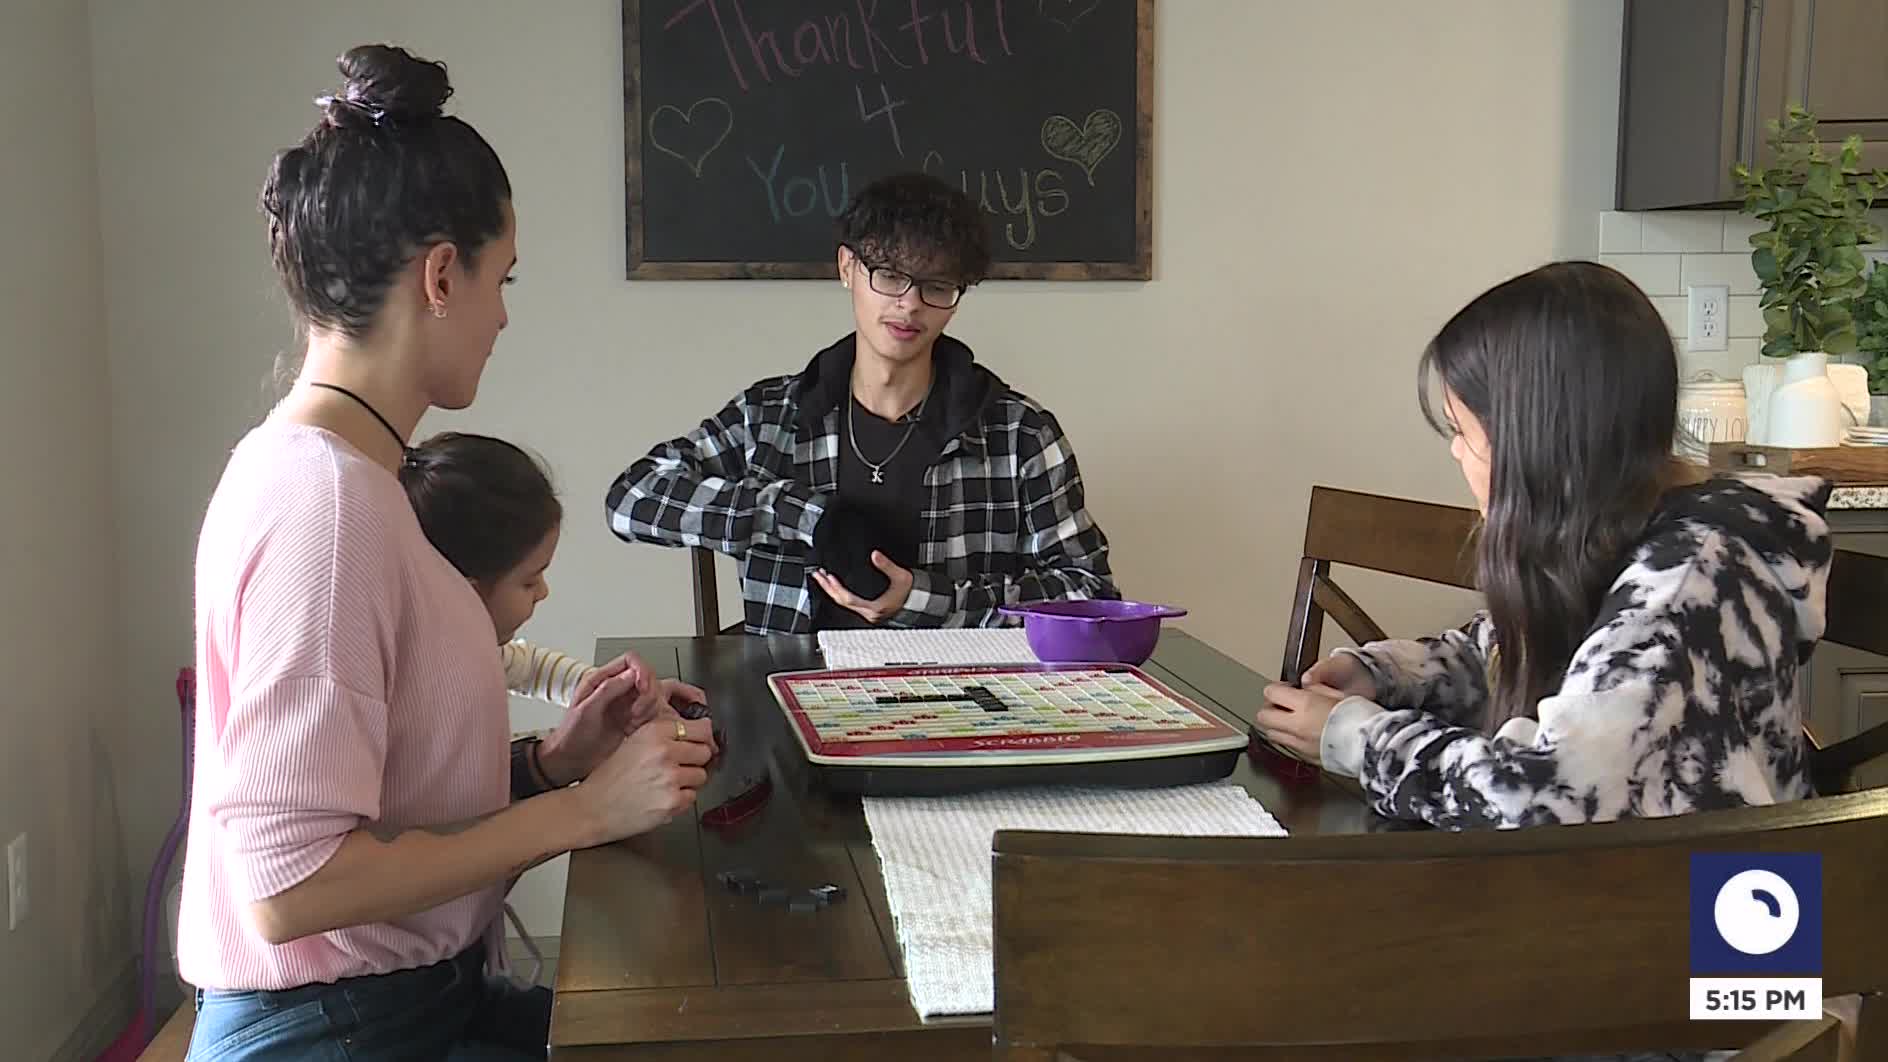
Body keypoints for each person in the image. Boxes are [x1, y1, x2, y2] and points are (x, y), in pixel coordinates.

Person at [178, 45, 714, 1061]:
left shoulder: (336, 480)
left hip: (403, 1005)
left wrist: (553, 766)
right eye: (499, 280)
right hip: (338, 1030)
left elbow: (383, 802)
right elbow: (287, 889)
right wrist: (584, 813)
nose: (502, 314)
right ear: (439, 275)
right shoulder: (326, 510)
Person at [1255, 261, 1831, 832]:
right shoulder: (1628, 526)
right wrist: (1384, 675)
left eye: (1462, 432)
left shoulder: (1684, 580)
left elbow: (1543, 797)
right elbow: (1511, 652)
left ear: (1535, 440)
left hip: (1714, 887)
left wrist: (1356, 739)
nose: (1455, 452)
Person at [605, 172, 1118, 634]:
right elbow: (630, 499)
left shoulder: (1019, 433)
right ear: (847, 267)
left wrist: (923, 600)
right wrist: (799, 513)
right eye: (889, 276)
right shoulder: (769, 417)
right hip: (791, 683)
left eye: (937, 286)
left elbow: (1091, 593)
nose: (909, 304)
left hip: (959, 691)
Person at [400, 431, 628, 710]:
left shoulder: (470, 647)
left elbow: (531, 668)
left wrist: (606, 691)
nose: (543, 592)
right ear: (465, 594)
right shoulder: (421, 688)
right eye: (529, 582)